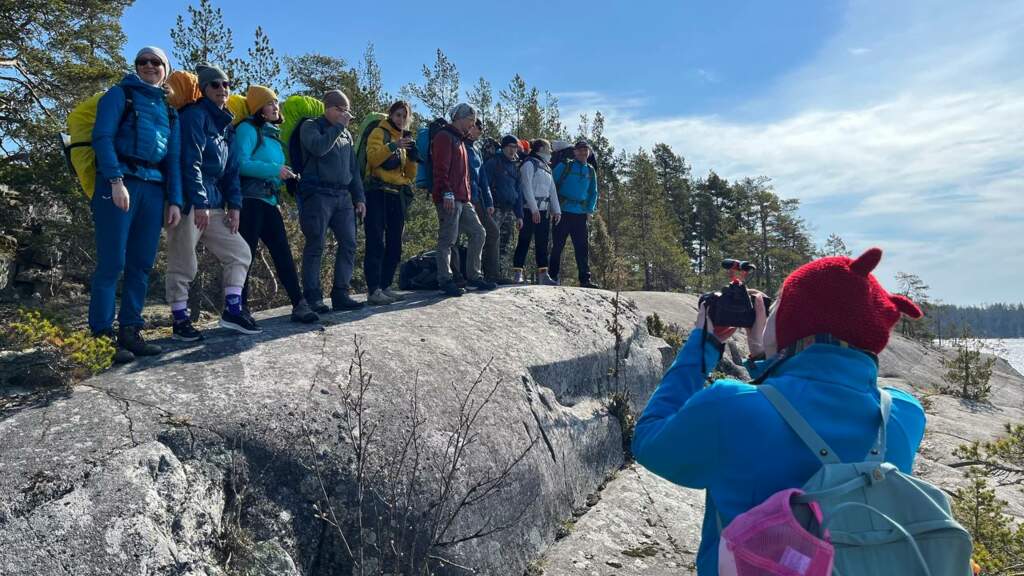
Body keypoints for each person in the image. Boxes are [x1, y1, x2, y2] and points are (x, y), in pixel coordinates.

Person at [632, 247, 927, 575]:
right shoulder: (903, 414)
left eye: (777, 305)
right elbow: (806, 406)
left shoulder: (728, 407)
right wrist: (767, 358)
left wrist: (702, 348)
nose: (768, 313)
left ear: (794, 320)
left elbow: (648, 441)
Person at [89, 46, 181, 363]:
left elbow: (173, 160)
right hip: (119, 184)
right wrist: (115, 181)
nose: (149, 66)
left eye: (156, 62)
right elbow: (102, 137)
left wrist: (174, 200)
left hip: (154, 190)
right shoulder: (119, 95)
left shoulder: (170, 110)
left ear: (166, 69)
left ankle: (131, 331)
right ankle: (101, 338)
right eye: (142, 61)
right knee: (112, 263)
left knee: (141, 265)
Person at [166, 64, 257, 341]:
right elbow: (189, 162)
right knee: (183, 262)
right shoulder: (194, 116)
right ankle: (180, 320)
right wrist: (200, 201)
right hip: (189, 203)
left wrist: (236, 207)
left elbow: (231, 172)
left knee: (240, 253)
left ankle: (232, 310)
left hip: (214, 203)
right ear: (204, 89)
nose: (222, 89)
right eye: (215, 85)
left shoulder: (226, 126)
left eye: (226, 84)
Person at [232, 85, 317, 323]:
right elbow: (240, 163)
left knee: (283, 254)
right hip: (249, 201)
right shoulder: (248, 129)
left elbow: (272, 168)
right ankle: (241, 308)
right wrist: (275, 170)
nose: (275, 106)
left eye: (276, 102)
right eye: (270, 103)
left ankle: (299, 304)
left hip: (269, 201)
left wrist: (287, 179)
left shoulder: (271, 135)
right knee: (244, 256)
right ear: (259, 108)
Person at [297, 90, 366, 312]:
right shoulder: (311, 126)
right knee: (316, 244)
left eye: (346, 110)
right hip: (318, 194)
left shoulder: (346, 134)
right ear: (329, 108)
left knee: (349, 244)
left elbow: (353, 169)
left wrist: (359, 198)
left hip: (343, 196)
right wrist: (338, 128)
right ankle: (313, 297)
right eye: (341, 109)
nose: (345, 114)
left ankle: (341, 294)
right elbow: (317, 148)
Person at [431, 103, 495, 297]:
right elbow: (440, 167)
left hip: (463, 198)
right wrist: (447, 192)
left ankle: (474, 276)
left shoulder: (460, 141)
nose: (472, 124)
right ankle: (445, 279)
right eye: (471, 120)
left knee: (479, 233)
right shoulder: (444, 137)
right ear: (460, 118)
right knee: (448, 239)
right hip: (449, 196)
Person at [363, 100, 418, 306]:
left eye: (405, 116)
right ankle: (373, 289)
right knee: (376, 241)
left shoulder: (406, 140)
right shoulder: (379, 133)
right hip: (377, 193)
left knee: (395, 244)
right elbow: (373, 159)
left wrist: (412, 158)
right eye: (398, 115)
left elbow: (409, 175)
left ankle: (385, 286)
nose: (401, 120)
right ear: (390, 115)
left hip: (397, 194)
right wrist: (393, 146)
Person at [550, 140, 600, 288]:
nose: (583, 153)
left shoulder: (590, 170)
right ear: (575, 152)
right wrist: (553, 207)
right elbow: (551, 184)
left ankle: (585, 280)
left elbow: (593, 192)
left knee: (582, 248)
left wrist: (589, 211)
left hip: (580, 214)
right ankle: (552, 277)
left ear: (589, 152)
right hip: (562, 212)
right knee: (557, 246)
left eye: (586, 150)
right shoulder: (565, 165)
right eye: (580, 150)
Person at [513, 139, 560, 285]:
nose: (551, 151)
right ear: (540, 148)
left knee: (542, 243)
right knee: (524, 241)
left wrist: (557, 210)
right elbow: (526, 187)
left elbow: (552, 190)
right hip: (529, 210)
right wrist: (533, 209)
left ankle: (543, 275)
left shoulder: (547, 168)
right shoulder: (529, 164)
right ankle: (517, 273)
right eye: (548, 148)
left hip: (544, 211)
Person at [482, 135, 525, 283]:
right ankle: (486, 273)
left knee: (504, 243)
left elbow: (518, 192)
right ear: (503, 147)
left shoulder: (515, 166)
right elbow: (485, 183)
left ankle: (498, 274)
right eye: (510, 147)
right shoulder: (493, 162)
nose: (513, 150)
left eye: (515, 147)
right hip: (495, 208)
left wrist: (519, 215)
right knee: (491, 240)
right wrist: (488, 204)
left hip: (509, 209)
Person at [465, 118, 499, 284]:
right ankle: (459, 276)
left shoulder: (476, 149)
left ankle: (489, 274)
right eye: (478, 127)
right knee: (455, 237)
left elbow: (483, 177)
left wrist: (489, 201)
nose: (480, 130)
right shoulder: (460, 145)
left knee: (491, 232)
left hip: (477, 198)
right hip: (463, 196)